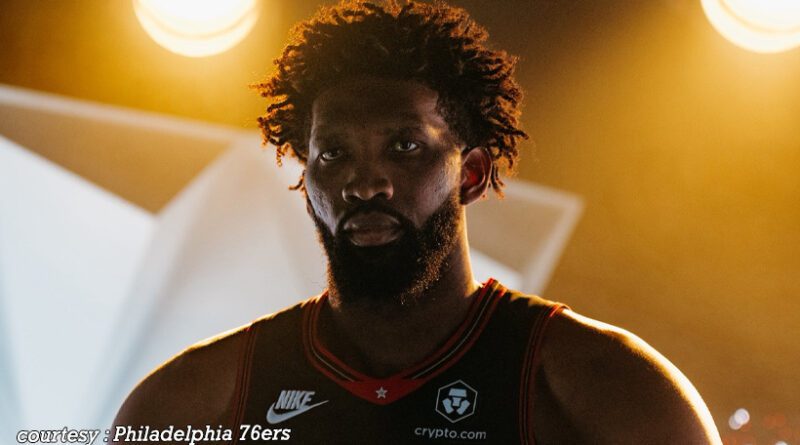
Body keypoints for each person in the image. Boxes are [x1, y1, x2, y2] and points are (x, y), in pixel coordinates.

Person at [113, 1, 722, 443]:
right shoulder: (194, 401)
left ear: (472, 175)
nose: (365, 183)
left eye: (404, 147)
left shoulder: (609, 389)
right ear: (307, 183)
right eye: (334, 153)